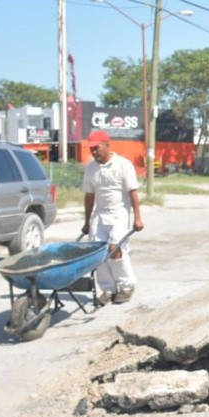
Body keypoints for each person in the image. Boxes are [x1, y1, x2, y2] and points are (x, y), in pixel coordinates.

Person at [82, 130, 144, 306]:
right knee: (97, 252)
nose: (94, 152)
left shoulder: (123, 165)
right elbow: (89, 196)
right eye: (91, 149)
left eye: (97, 148)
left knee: (114, 249)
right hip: (99, 216)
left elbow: (133, 193)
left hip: (119, 215)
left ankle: (126, 286)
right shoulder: (91, 168)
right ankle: (108, 289)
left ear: (107, 145)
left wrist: (137, 218)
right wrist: (87, 222)